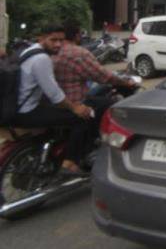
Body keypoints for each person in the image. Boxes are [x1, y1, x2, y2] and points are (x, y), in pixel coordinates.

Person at [12, 23, 94, 176]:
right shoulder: (42, 58)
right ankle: (69, 163)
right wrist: (75, 108)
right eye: (53, 40)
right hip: (27, 112)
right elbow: (55, 95)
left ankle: (47, 152)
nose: (58, 44)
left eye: (61, 40)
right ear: (41, 38)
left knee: (58, 115)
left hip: (17, 107)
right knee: (82, 118)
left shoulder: (29, 51)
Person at [53, 22, 136, 129]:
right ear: (77, 35)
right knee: (112, 105)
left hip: (57, 101)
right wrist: (126, 82)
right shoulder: (79, 53)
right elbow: (104, 76)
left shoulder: (52, 51)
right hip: (77, 100)